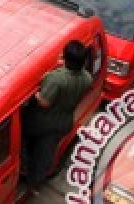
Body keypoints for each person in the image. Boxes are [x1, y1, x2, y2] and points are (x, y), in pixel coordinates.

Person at [24, 40, 93, 191]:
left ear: (65, 58)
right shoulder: (87, 78)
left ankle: (26, 172)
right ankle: (36, 182)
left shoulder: (56, 79)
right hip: (64, 122)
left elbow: (44, 103)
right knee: (45, 155)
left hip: (42, 123)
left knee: (22, 137)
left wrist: (36, 94)